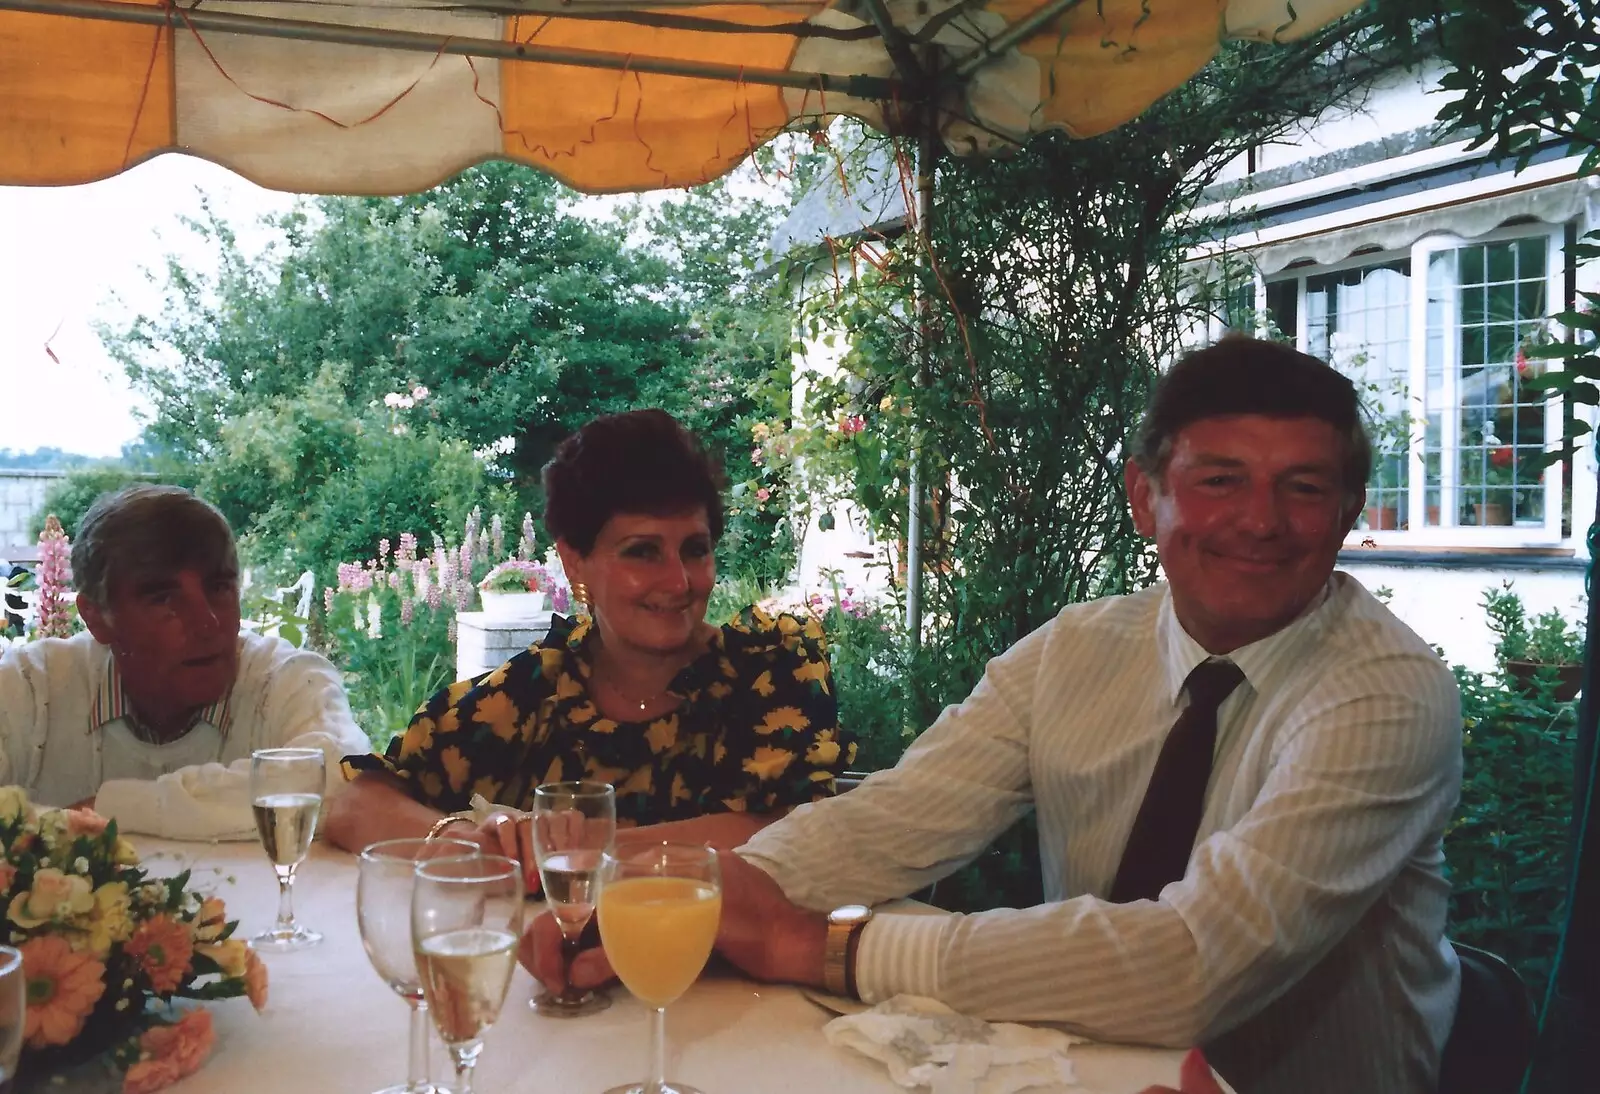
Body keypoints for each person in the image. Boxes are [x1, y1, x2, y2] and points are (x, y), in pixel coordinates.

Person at [528, 338, 1463, 1094]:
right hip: (1086, 1067)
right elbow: (891, 821)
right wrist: (674, 909)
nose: (1261, 520)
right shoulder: (1075, 650)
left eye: (1302, 487)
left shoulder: (1383, 694)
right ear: (1147, 497)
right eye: (1220, 479)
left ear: (1346, 515)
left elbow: (1190, 968)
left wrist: (816, 944)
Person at [324, 409, 853, 863]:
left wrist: (577, 852)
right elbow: (357, 804)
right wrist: (464, 843)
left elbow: (791, 832)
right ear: (575, 560)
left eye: (695, 549)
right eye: (642, 551)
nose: (679, 581)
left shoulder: (770, 669)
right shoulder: (534, 693)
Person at [0, 485, 370, 840]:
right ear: (95, 617)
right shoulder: (31, 689)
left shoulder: (287, 681)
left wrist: (110, 810)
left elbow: (343, 778)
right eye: (164, 599)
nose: (208, 622)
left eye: (219, 588)